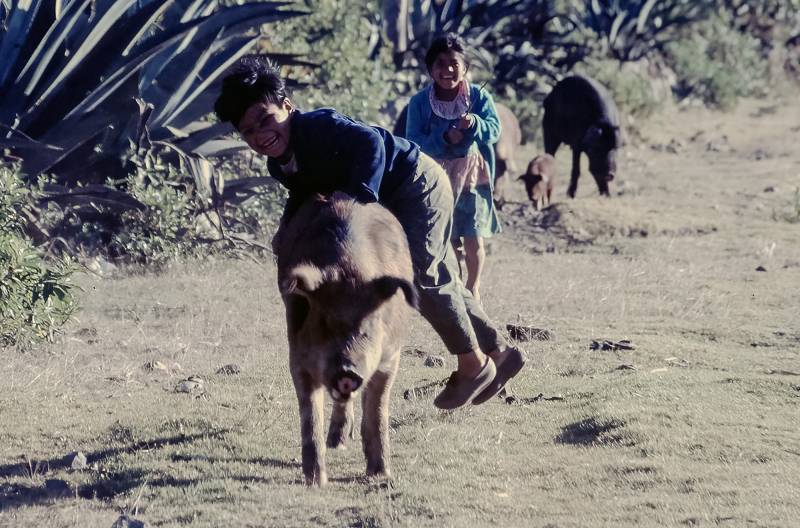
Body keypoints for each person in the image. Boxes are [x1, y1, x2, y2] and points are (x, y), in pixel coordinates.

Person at [214, 56, 525, 410]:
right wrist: (285, 230)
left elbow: (371, 145)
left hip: (416, 183)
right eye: (248, 131)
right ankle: (499, 352)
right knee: (439, 275)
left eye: (265, 119)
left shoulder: (318, 126)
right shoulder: (279, 162)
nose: (260, 135)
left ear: (287, 105)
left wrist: (352, 196)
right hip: (389, 198)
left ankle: (474, 365)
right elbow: (303, 191)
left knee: (421, 276)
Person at [405, 33, 501, 303]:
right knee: (444, 237)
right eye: (440, 64)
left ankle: (474, 288)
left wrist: (475, 124)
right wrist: (444, 138)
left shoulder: (479, 97)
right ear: (430, 69)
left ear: (466, 67)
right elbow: (414, 142)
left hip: (472, 175)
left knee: (473, 235)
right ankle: (454, 285)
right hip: (435, 178)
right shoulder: (420, 103)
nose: (447, 70)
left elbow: (494, 130)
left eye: (454, 64)